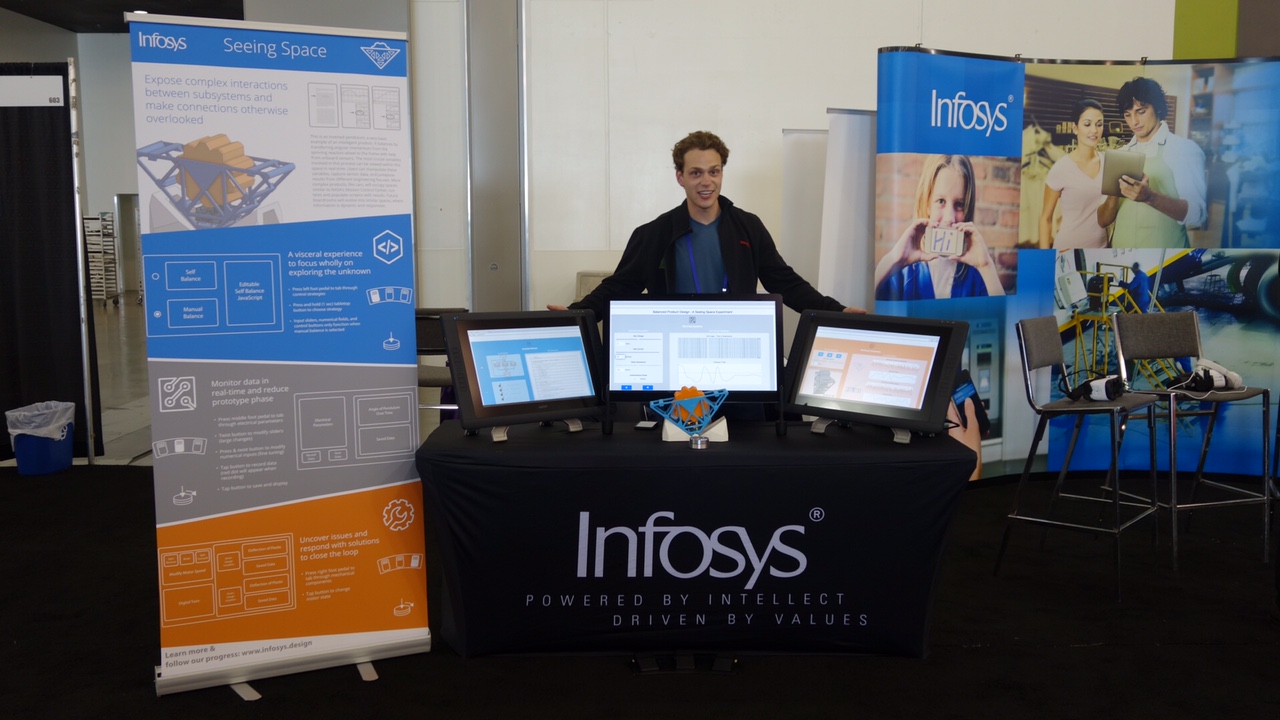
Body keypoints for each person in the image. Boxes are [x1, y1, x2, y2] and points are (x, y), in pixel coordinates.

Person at [550, 131, 862, 316]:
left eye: (714, 172)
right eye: (696, 173)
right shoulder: (654, 234)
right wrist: (578, 313)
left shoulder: (748, 228)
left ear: (722, 174)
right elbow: (620, 287)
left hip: (735, 343)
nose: (706, 182)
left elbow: (785, 283)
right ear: (680, 177)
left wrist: (836, 312)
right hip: (673, 347)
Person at [874, 154, 1005, 301]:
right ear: (927, 204)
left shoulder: (977, 274)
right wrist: (892, 260)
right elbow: (865, 306)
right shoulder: (900, 272)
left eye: (959, 205)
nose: (949, 218)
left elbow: (1002, 319)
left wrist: (987, 266)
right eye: (941, 201)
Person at [1097, 76, 1207, 248]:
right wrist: (1113, 194)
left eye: (1141, 111)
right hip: (1120, 254)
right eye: (1128, 115)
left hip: (1165, 258)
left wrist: (1149, 197)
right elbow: (1103, 221)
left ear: (1157, 108)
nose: (1134, 122)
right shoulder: (1120, 154)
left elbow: (1198, 216)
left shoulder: (1184, 149)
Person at [1040, 99, 1110, 250]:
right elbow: (1045, 219)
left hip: (1102, 249)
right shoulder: (1061, 169)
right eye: (1087, 124)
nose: (1094, 130)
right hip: (1067, 249)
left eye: (1099, 124)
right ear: (1075, 128)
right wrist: (1044, 260)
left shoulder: (1108, 164)